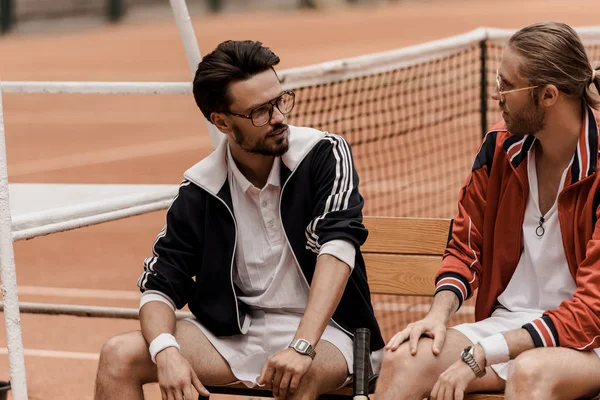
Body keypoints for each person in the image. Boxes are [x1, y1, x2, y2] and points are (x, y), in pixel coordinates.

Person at [93, 40, 384, 400]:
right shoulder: (202, 187)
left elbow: (338, 250)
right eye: (260, 112)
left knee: (296, 377)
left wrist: (302, 346)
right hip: (238, 335)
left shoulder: (324, 154)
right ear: (221, 121)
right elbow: (159, 285)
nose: (278, 117)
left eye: (280, 101)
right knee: (118, 356)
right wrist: (165, 351)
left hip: (332, 334)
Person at [375, 21, 600, 400]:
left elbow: (592, 309)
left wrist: (485, 352)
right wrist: (436, 316)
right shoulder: (500, 147)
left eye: (507, 85)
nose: (497, 95)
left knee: (530, 373)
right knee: (403, 358)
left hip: (587, 341)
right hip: (509, 326)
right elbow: (466, 248)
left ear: (547, 95)